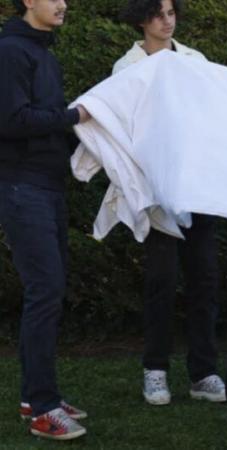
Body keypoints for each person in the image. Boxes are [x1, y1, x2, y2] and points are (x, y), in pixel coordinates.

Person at [114, 0, 226, 406]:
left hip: (198, 187)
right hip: (155, 193)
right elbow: (125, 129)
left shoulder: (195, 60)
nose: (167, 20)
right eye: (159, 14)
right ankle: (155, 371)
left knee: (205, 280)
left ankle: (204, 373)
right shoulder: (126, 69)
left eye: (172, 12)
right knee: (160, 282)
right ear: (143, 19)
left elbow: (213, 114)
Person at [0, 0, 91, 441]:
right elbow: (12, 120)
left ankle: (35, 396)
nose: (63, 3)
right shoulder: (11, 51)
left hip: (48, 187)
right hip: (23, 187)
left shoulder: (42, 53)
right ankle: (42, 409)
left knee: (49, 292)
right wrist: (74, 116)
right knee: (45, 292)